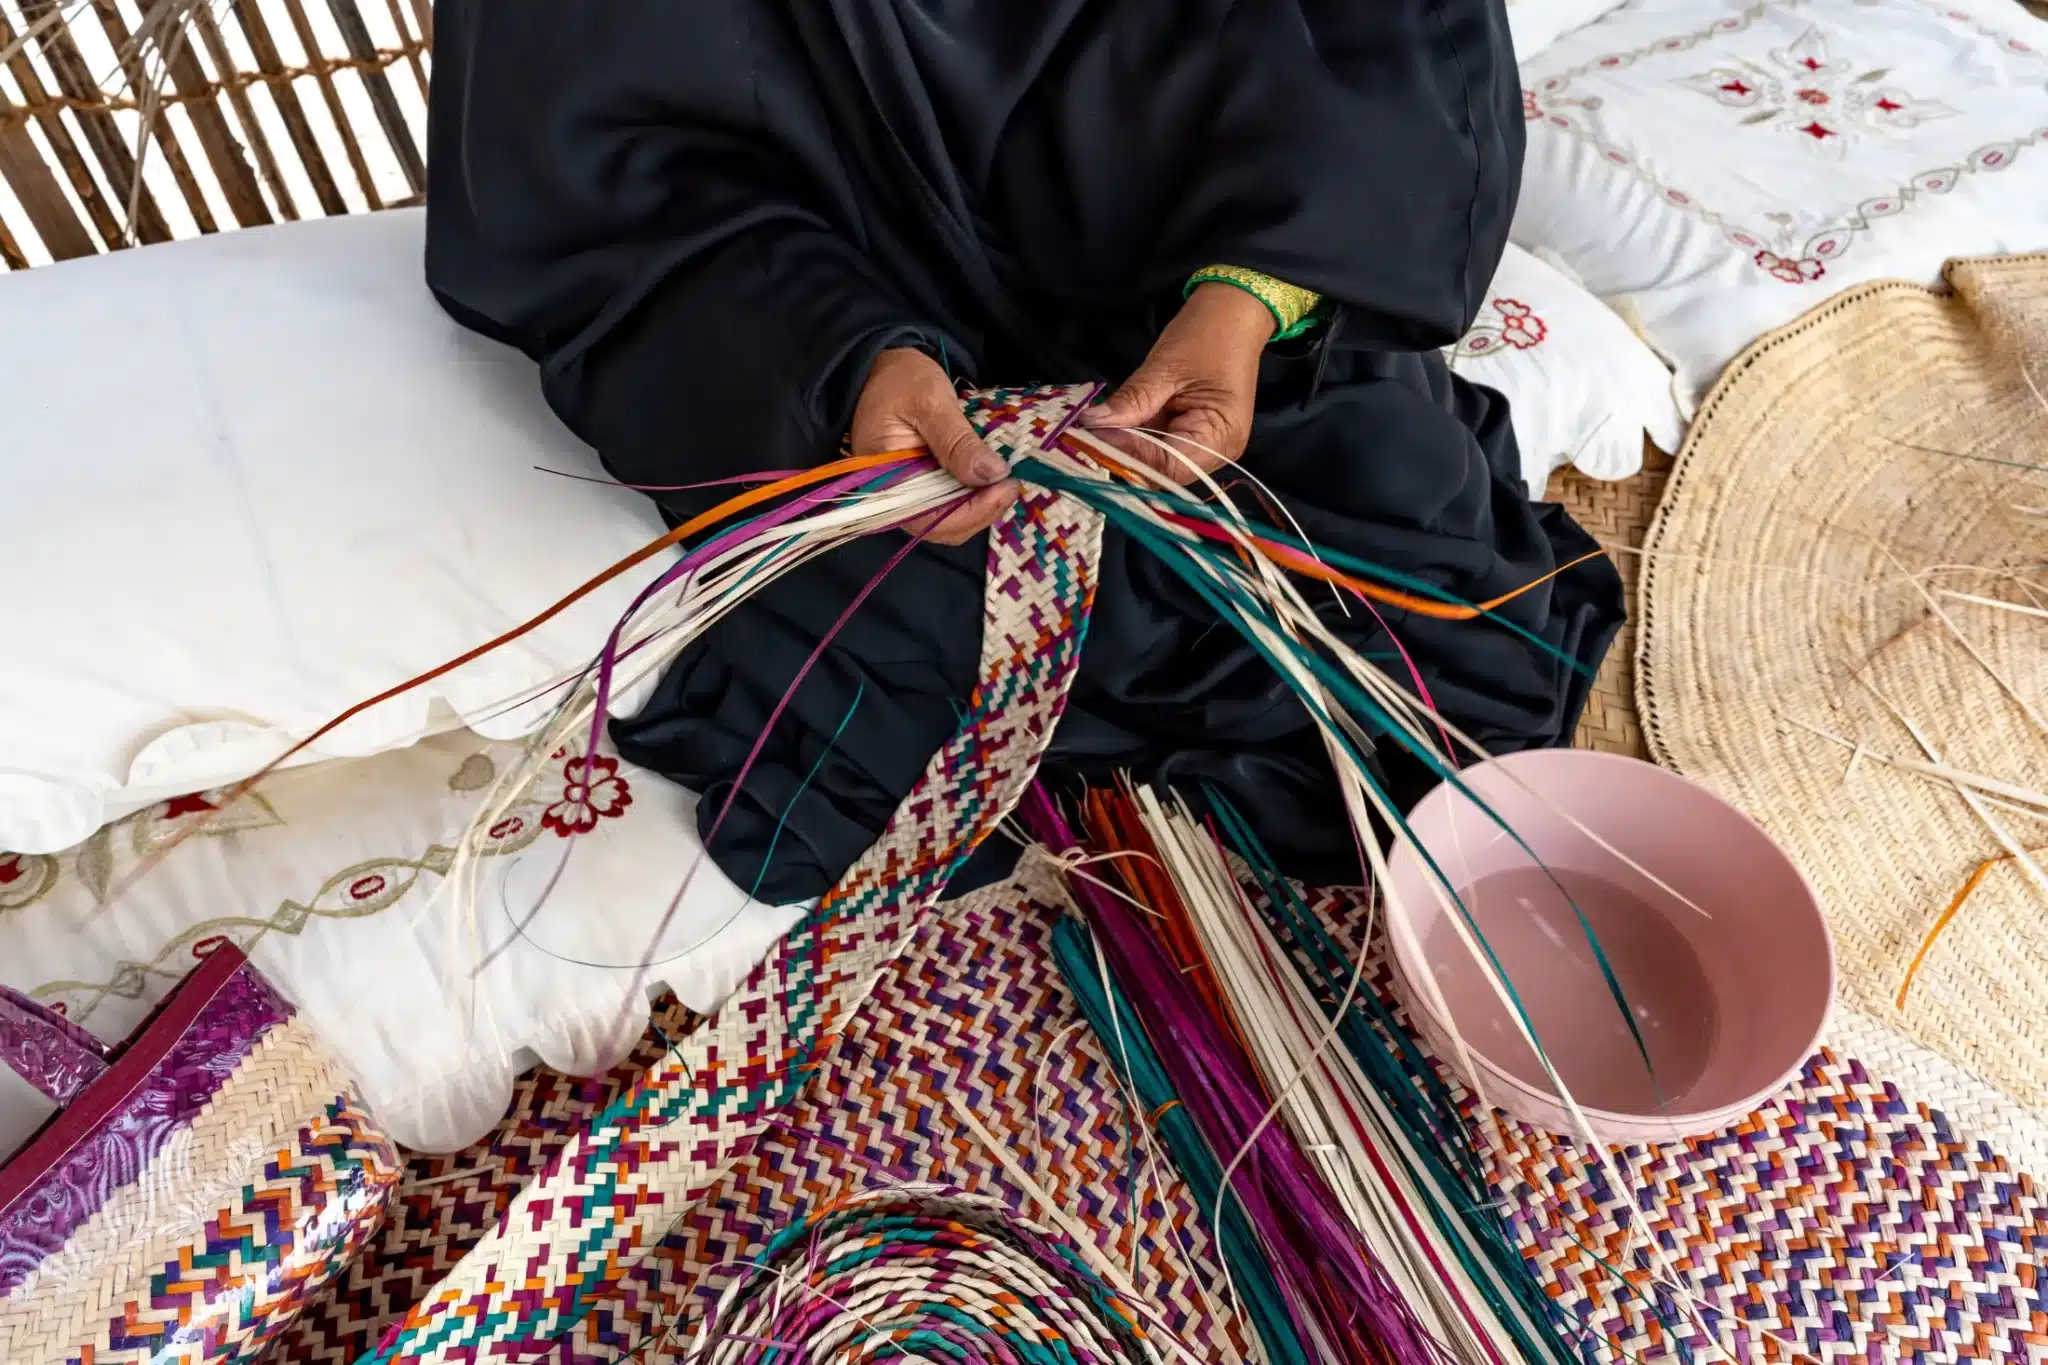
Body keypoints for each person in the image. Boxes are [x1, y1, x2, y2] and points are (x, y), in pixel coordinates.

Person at [424, 0, 1624, 903]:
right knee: (904, 659)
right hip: (829, 310)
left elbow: (1376, 48)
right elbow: (614, 182)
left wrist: (1251, 297)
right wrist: (849, 360)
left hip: (1210, 275)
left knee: (1406, 549)